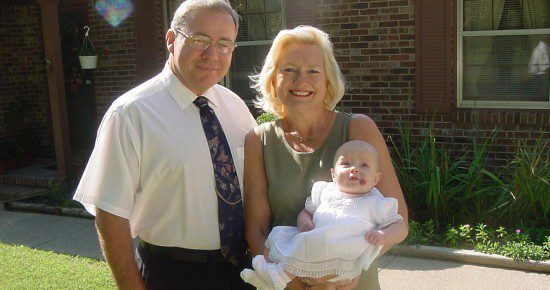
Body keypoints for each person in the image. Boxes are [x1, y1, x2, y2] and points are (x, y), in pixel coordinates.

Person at [73, 1, 256, 289]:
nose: (212, 54)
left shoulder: (235, 107)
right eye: (200, 40)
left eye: (224, 44)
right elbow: (109, 213)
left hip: (243, 271)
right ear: (172, 40)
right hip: (172, 274)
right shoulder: (131, 114)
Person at [243, 25, 409, 290]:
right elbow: (257, 230)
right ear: (273, 80)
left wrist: (348, 269)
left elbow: (398, 218)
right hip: (286, 284)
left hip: (351, 282)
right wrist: (295, 283)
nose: (301, 81)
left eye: (313, 71)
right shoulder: (258, 140)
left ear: (327, 80)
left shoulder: (358, 128)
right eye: (289, 70)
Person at [241, 141, 405, 290]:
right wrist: (304, 222)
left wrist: (383, 235)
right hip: (316, 245)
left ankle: (276, 277)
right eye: (346, 163)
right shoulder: (326, 191)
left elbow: (400, 227)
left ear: (376, 178)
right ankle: (272, 276)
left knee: (305, 246)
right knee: (285, 236)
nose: (354, 169)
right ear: (333, 174)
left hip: (343, 257)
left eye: (364, 165)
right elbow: (306, 211)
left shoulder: (376, 202)